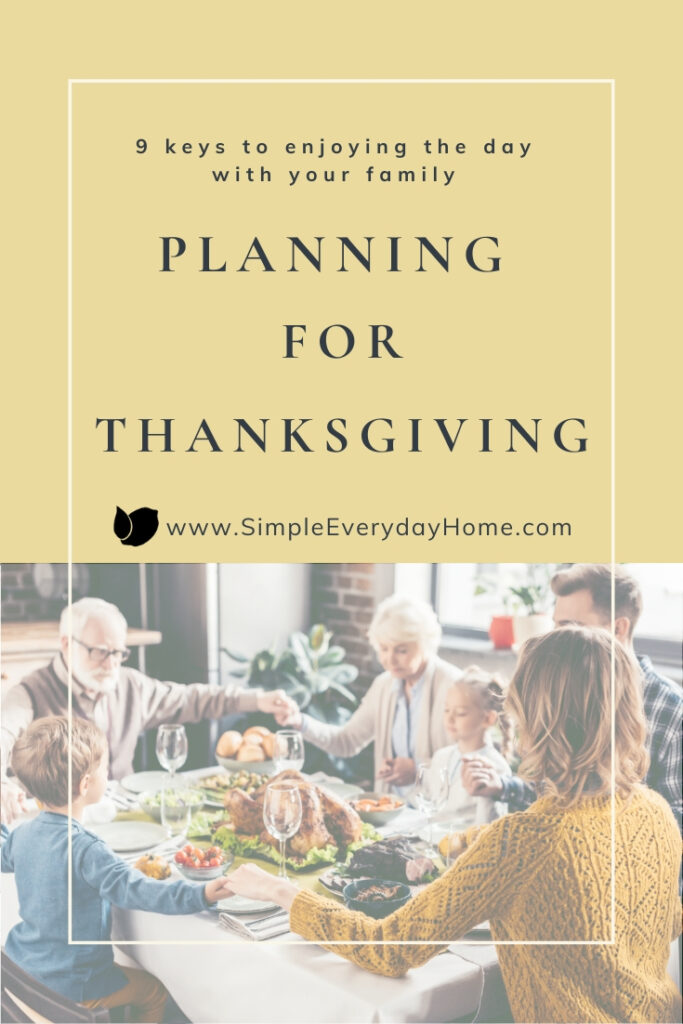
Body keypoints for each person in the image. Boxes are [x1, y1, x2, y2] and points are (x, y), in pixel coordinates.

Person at [225, 627, 682, 1024]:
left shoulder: (524, 841)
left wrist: (281, 893)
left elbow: (390, 947)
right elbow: (662, 916)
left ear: (541, 722)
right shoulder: (656, 812)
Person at [1, 716, 233, 1022]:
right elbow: (139, 891)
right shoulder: (87, 848)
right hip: (76, 983)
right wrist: (200, 894)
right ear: (85, 784)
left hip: (23, 968)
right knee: (153, 991)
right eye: (102, 768)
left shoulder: (22, 834)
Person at [1, 597, 297, 823]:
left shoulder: (130, 685)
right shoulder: (28, 693)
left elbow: (191, 699)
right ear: (66, 644)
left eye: (119, 653)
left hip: (126, 819)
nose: (112, 664)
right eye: (100, 652)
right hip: (61, 828)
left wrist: (257, 700)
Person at [461, 564, 682, 831]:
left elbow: (673, 828)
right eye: (555, 624)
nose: (556, 638)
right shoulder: (564, 690)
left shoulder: (671, 710)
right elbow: (561, 793)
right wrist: (503, 787)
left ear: (618, 629)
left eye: (570, 626)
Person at [275, 593, 461, 793]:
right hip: (391, 811)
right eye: (383, 649)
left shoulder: (455, 686)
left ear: (425, 644)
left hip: (440, 816)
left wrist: (418, 770)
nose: (390, 660)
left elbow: (466, 761)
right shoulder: (383, 685)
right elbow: (346, 741)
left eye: (401, 650)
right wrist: (299, 722)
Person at [429, 667, 512, 827]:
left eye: (460, 713)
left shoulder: (496, 769)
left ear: (487, 718)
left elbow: (490, 828)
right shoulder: (441, 757)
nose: (450, 718)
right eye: (446, 710)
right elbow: (430, 808)